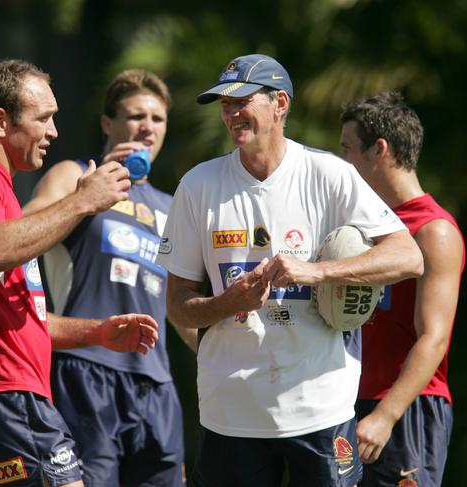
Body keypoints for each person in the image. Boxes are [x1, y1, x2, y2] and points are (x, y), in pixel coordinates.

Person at [155, 54, 424, 487]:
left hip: (320, 405)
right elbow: (178, 307)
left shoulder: (329, 174)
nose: (230, 112)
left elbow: (408, 257)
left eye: (242, 100)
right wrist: (229, 302)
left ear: (280, 103)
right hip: (231, 412)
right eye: (224, 104)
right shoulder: (198, 186)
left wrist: (318, 272)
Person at [0, 59, 159, 487]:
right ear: (0, 120)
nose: (53, 132)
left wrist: (97, 332)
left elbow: (17, 316)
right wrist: (82, 202)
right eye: (43, 118)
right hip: (1, 392)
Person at [24, 69, 196, 487]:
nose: (147, 127)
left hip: (156, 383)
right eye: (136, 116)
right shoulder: (75, 175)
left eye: (157, 119)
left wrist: (224, 354)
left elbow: (181, 307)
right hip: (85, 372)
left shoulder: (172, 207)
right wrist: (84, 199)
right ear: (108, 123)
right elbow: (20, 231)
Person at [340, 91, 465, 487]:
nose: (342, 164)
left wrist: (387, 415)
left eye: (347, 150)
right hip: (350, 407)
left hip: (405, 410)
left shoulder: (435, 230)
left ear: (379, 150)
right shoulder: (366, 227)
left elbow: (434, 337)